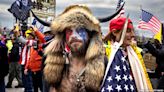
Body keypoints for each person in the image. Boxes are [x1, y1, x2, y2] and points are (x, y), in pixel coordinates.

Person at [43, 5, 105, 92]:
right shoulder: (52, 65)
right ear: (64, 36)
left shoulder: (104, 63)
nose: (74, 36)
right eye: (69, 30)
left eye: (80, 29)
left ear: (89, 34)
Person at [101, 17, 153, 91]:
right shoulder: (104, 54)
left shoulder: (135, 53)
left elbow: (144, 79)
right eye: (128, 31)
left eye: (133, 31)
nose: (133, 35)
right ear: (115, 32)